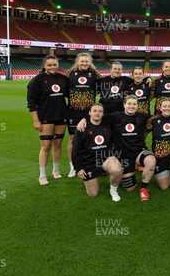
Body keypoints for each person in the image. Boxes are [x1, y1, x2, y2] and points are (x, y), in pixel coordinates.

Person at [77, 95, 155, 201]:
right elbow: (97, 116)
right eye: (129, 104)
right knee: (130, 189)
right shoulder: (115, 117)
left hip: (138, 152)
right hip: (122, 156)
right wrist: (83, 119)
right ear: (124, 105)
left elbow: (158, 118)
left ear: (137, 105)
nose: (131, 106)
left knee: (151, 160)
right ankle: (127, 171)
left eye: (134, 104)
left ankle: (144, 188)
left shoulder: (142, 116)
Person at [27, 55, 69, 185]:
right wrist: (36, 120)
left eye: (54, 65)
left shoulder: (63, 79)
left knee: (58, 144)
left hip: (61, 117)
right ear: (44, 65)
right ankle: (42, 175)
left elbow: (70, 95)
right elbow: (31, 102)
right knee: (46, 146)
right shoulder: (37, 80)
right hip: (45, 118)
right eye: (49, 65)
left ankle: (55, 171)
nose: (52, 67)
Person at [72, 103, 123, 202]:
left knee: (117, 170)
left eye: (100, 111)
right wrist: (78, 168)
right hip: (89, 161)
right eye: (94, 111)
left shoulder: (107, 122)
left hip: (105, 157)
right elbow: (75, 150)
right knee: (93, 194)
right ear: (89, 113)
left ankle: (113, 191)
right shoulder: (82, 128)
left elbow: (122, 113)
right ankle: (96, 174)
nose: (97, 113)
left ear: (103, 114)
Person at [65, 53, 102, 178]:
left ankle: (90, 164)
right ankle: (73, 167)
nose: (84, 63)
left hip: (89, 112)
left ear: (90, 62)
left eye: (86, 61)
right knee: (72, 140)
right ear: (78, 61)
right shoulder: (69, 73)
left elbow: (106, 82)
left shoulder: (94, 73)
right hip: (73, 112)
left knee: (90, 138)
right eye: (82, 61)